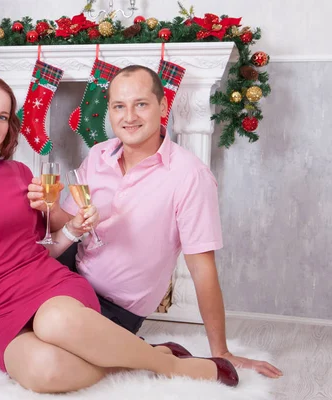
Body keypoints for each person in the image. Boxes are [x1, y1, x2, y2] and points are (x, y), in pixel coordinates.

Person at [0, 74, 239, 393]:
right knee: (46, 371)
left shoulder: (19, 173)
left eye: (2, 116)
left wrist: (72, 229)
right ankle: (157, 356)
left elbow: (40, 248)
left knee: (55, 320)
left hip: (53, 287)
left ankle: (180, 370)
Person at [24, 65, 282, 378]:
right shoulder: (99, 155)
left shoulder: (190, 176)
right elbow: (68, 223)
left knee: (48, 360)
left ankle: (154, 355)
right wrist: (45, 208)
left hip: (115, 308)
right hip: (71, 276)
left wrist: (221, 352)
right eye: (119, 106)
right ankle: (129, 353)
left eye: (140, 104)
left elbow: (202, 269)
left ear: (162, 107)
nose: (128, 116)